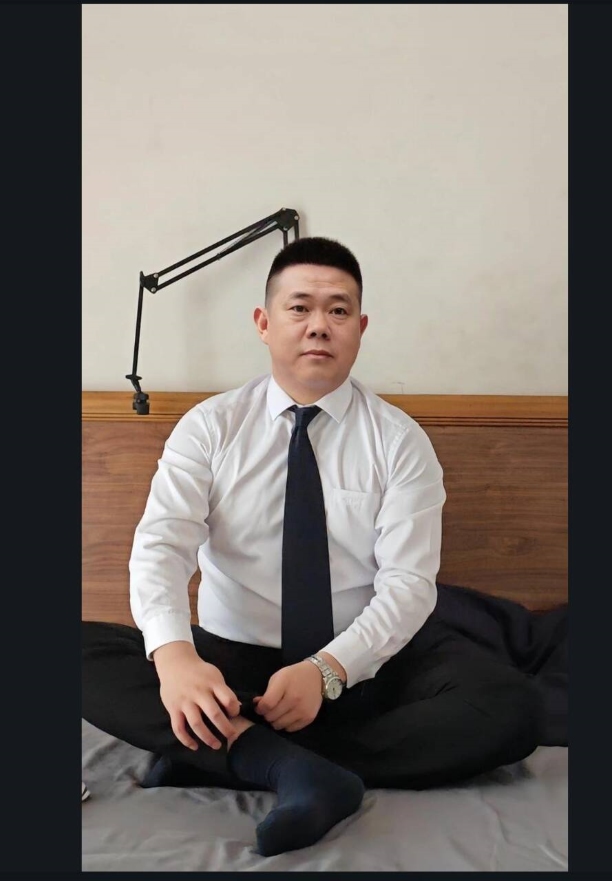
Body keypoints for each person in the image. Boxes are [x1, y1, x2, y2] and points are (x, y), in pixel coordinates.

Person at [82, 236, 540, 857]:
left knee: (512, 707)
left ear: (360, 328)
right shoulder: (209, 428)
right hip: (232, 666)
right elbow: (161, 547)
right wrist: (176, 662)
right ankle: (293, 767)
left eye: (338, 310)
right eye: (299, 308)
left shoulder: (399, 441)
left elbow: (408, 587)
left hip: (360, 667)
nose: (319, 325)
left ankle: (233, 753)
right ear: (264, 323)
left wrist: (327, 671)